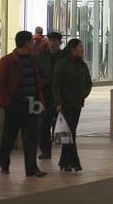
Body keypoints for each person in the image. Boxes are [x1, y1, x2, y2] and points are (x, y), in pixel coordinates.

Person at [0, 30, 46, 177]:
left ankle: (31, 168)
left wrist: (39, 101)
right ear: (25, 43)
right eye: (31, 41)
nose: (33, 44)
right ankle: (4, 164)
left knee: (30, 137)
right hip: (14, 105)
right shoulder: (8, 61)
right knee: (9, 136)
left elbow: (37, 82)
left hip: (31, 104)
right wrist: (7, 101)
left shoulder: (32, 59)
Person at [52, 38, 91, 172]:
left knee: (70, 132)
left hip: (77, 103)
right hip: (65, 103)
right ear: (73, 49)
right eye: (80, 46)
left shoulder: (82, 65)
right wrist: (58, 102)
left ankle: (65, 162)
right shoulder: (62, 64)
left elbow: (88, 82)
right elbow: (56, 84)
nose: (82, 49)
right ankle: (74, 162)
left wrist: (83, 94)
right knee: (70, 132)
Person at [36, 31, 64, 159]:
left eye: (55, 41)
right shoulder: (40, 56)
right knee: (43, 124)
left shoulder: (65, 57)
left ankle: (66, 154)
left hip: (61, 96)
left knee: (63, 126)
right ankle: (46, 151)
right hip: (45, 95)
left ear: (60, 43)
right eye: (50, 41)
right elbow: (37, 76)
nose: (52, 44)